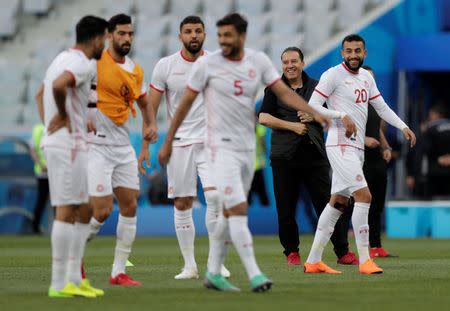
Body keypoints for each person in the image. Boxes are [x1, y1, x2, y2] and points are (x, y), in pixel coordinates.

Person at [158, 13, 332, 292]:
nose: (223, 41)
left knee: (229, 212)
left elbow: (284, 94)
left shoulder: (258, 61)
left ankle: (213, 272)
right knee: (237, 209)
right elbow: (185, 103)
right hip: (219, 147)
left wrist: (315, 112)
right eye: (221, 35)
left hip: (246, 151)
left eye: (229, 35)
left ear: (242, 36)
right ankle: (255, 275)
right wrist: (167, 141)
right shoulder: (208, 65)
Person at [303, 34, 416, 274]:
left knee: (338, 203)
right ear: (342, 53)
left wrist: (403, 126)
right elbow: (311, 105)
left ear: (364, 53)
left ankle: (313, 260)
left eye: (357, 51)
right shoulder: (332, 75)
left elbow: (381, 106)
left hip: (357, 149)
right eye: (348, 51)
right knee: (364, 196)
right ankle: (365, 260)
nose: (353, 55)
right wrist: (340, 115)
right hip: (339, 145)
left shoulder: (366, 77)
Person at [258, 47, 357, 266]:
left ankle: (343, 252)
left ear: (302, 63)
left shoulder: (318, 86)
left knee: (329, 206)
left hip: (315, 156)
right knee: (286, 209)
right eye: (285, 62)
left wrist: (314, 116)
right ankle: (292, 252)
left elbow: (336, 115)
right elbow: (263, 118)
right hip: (284, 157)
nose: (289, 65)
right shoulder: (274, 89)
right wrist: (292, 126)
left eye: (294, 61)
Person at [149, 15, 230, 280]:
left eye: (198, 31)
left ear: (204, 35)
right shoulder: (165, 66)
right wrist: (151, 138)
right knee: (182, 203)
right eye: (188, 31)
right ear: (180, 36)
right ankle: (190, 266)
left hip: (211, 143)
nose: (193, 35)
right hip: (180, 144)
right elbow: (152, 106)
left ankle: (215, 262)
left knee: (216, 197)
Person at [37, 15, 108, 298]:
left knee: (84, 209)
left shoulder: (61, 58)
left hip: (69, 142)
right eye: (104, 38)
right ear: (96, 39)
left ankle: (75, 280)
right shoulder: (80, 63)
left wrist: (52, 123)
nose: (105, 43)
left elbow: (40, 92)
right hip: (66, 144)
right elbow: (56, 87)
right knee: (67, 211)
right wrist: (64, 118)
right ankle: (59, 284)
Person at [84, 14, 158, 286]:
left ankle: (118, 273)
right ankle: (75, 255)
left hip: (123, 146)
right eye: (121, 33)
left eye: (130, 34)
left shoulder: (135, 70)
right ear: (109, 35)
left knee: (130, 206)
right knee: (102, 211)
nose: (127, 38)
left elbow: (144, 101)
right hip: (96, 146)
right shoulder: (94, 63)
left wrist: (150, 125)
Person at [359, 65, 398, 258]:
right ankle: (352, 249)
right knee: (358, 205)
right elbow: (340, 128)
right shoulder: (353, 101)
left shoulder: (374, 102)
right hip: (359, 159)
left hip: (376, 160)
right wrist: (364, 140)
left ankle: (376, 247)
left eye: (371, 78)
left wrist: (387, 147)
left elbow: (378, 129)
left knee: (377, 205)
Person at [29, 123, 50, 234]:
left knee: (42, 201)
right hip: (46, 172)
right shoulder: (39, 129)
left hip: (48, 171)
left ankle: (36, 228)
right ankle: (35, 228)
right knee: (42, 201)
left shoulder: (37, 129)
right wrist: (42, 165)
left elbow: (32, 150)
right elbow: (32, 150)